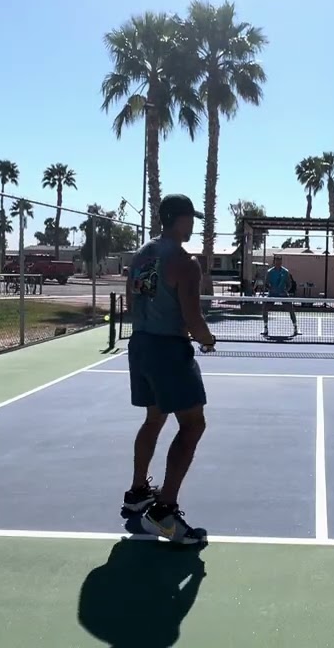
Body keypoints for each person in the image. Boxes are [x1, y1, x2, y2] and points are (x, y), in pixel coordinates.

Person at [122, 193, 217, 545]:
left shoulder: (142, 254)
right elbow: (194, 319)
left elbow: (134, 299)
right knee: (193, 424)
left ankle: (136, 493)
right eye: (191, 218)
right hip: (167, 351)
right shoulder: (184, 261)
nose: (193, 225)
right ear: (180, 219)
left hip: (140, 345)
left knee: (154, 418)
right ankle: (164, 510)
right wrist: (208, 340)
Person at [261, 254, 299, 337]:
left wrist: (286, 290)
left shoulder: (285, 272)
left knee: (291, 309)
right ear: (274, 262)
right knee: (265, 308)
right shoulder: (270, 272)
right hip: (272, 294)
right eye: (276, 261)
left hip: (283, 294)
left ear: (281, 262)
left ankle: (295, 328)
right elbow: (266, 284)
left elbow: (289, 284)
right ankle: (265, 328)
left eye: (279, 261)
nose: (278, 262)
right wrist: (270, 289)